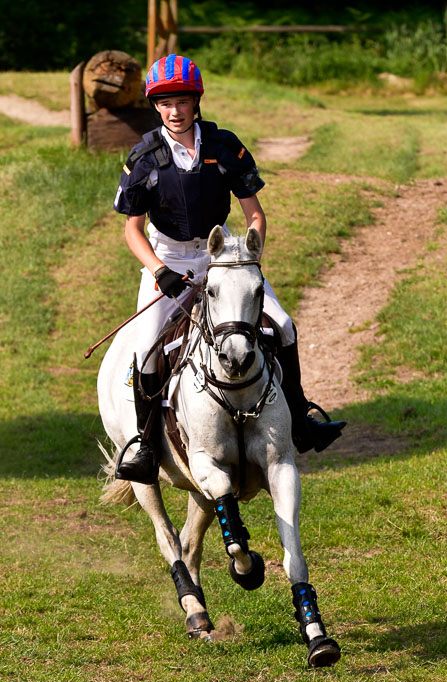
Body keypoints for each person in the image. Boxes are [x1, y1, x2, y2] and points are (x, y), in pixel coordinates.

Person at [113, 54, 345, 484]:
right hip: (169, 262)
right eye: (165, 103)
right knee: (146, 351)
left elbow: (254, 214)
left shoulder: (225, 147)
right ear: (156, 107)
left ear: (195, 101)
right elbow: (132, 230)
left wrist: (250, 255)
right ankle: (146, 446)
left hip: (225, 258)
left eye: (182, 101)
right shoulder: (144, 156)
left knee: (286, 325)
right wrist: (160, 270)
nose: (174, 111)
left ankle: (300, 417)